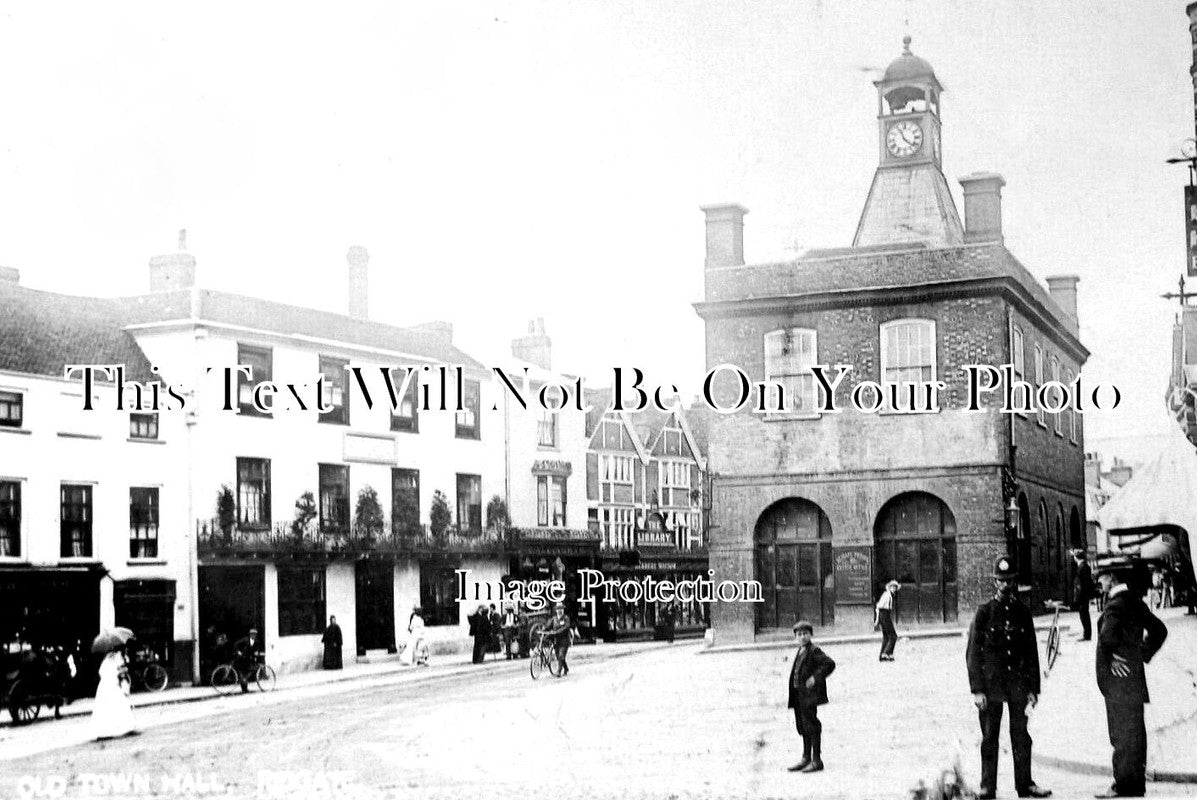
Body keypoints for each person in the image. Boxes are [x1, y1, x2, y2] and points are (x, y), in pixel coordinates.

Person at [965, 557, 1052, 800]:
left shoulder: (1022, 612)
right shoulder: (984, 613)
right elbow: (973, 654)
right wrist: (977, 690)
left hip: (1018, 685)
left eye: (1009, 580)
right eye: (1001, 581)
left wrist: (1033, 689)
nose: (1006, 585)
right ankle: (987, 787)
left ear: (1015, 582)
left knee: (1021, 736)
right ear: (995, 582)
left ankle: (1025, 785)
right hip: (991, 686)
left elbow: (1031, 653)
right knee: (989, 737)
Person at [1094, 559, 1168, 798]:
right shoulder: (1135, 601)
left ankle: (1122, 785)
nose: (1099, 581)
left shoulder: (1114, 605)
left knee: (1120, 733)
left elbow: (1107, 638)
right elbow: (1159, 630)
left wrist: (1114, 659)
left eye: (1102, 577)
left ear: (1112, 578)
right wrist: (1141, 654)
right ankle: (1136, 785)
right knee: (1135, 732)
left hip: (1117, 682)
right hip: (1134, 679)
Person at [786, 620, 836, 774]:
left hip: (809, 696)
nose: (802, 637)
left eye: (805, 634)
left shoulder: (814, 650)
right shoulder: (801, 650)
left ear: (811, 635)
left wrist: (815, 677)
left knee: (812, 725)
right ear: (795, 637)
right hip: (799, 695)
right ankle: (806, 757)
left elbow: (829, 664)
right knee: (802, 726)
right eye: (799, 634)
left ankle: (816, 760)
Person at [91, 646, 137, 740]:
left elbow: (101, 672)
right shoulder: (118, 657)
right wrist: (121, 674)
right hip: (112, 684)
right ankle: (127, 727)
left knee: (105, 708)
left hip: (104, 685)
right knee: (120, 704)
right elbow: (122, 671)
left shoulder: (106, 660)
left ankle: (104, 731)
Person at [541, 604, 573, 675]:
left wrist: (557, 631)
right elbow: (548, 627)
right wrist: (543, 630)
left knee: (561, 655)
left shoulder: (566, 618)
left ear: (563, 610)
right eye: (558, 609)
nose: (560, 611)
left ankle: (558, 671)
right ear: (556, 610)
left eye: (561, 609)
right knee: (559, 657)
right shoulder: (554, 619)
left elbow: (566, 627)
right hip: (556, 640)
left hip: (564, 640)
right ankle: (566, 668)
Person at [1071, 550, 1095, 640]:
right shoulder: (1084, 566)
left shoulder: (1082, 567)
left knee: (1084, 615)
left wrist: (1078, 596)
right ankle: (1086, 634)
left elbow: (1082, 584)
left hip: (1082, 595)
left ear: (1076, 557)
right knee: (1084, 615)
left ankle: (1087, 635)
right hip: (1084, 595)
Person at [874, 579, 900, 661]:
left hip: (885, 615)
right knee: (893, 636)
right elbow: (878, 607)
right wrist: (877, 619)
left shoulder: (889, 595)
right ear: (889, 587)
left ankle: (883, 655)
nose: (893, 589)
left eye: (895, 587)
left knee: (886, 637)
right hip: (884, 615)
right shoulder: (887, 595)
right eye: (892, 587)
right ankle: (887, 653)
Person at [232, 628, 264, 693]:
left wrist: (257, 654)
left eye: (255, 634)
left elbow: (257, 650)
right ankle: (244, 689)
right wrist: (238, 651)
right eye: (252, 634)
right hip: (241, 659)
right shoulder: (245, 640)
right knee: (242, 674)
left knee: (247, 673)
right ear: (250, 634)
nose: (253, 635)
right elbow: (235, 644)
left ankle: (245, 688)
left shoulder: (257, 642)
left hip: (248, 659)